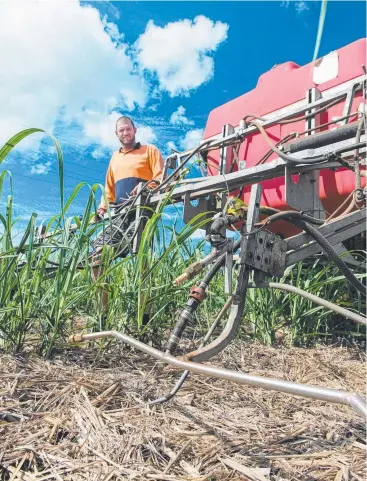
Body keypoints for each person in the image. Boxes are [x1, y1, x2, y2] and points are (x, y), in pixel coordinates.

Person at [91, 115, 164, 314]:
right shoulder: (115, 158)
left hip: (143, 213)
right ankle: (103, 314)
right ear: (117, 134)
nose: (125, 133)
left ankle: (145, 316)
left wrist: (146, 185)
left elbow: (160, 178)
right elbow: (109, 190)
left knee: (142, 262)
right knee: (96, 257)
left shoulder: (150, 151)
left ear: (135, 130)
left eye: (128, 129)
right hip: (119, 215)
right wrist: (101, 209)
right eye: (121, 130)